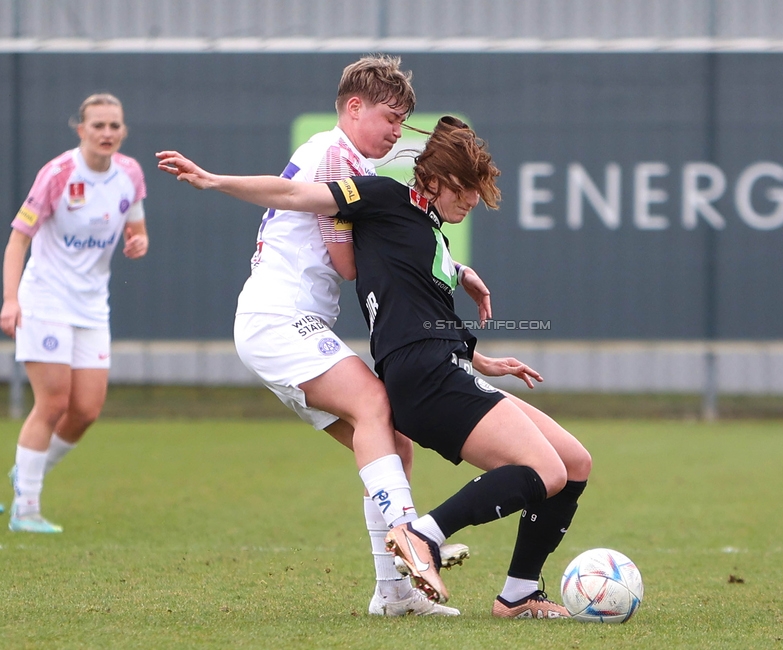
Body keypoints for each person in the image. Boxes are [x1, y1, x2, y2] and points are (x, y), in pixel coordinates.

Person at [157, 115, 593, 619]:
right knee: (545, 471)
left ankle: (517, 593)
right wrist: (214, 179)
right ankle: (420, 534)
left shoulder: (428, 231)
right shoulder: (385, 195)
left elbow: (417, 308)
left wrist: (480, 351)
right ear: (431, 179)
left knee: (574, 462)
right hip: (425, 377)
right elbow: (297, 195)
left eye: (479, 190)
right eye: (465, 187)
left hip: (444, 365)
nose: (473, 200)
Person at [219, 55, 490, 617]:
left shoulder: (334, 157)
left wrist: (456, 270)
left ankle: (393, 594)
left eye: (403, 121)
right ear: (354, 107)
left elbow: (388, 244)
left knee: (392, 440)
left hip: (284, 322)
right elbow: (348, 263)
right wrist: (214, 180)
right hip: (279, 316)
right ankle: (411, 536)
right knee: (373, 403)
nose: (396, 132)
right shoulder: (338, 155)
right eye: (391, 118)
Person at [1, 93, 150, 533]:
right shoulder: (59, 174)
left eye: (114, 126)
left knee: (85, 409)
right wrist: (11, 300)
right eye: (98, 125)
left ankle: (26, 475)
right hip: (45, 298)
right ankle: (26, 509)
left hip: (91, 304)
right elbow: (17, 240)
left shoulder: (131, 173)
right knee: (53, 402)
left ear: (123, 131)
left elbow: (136, 227)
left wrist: (137, 242)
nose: (107, 133)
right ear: (81, 129)